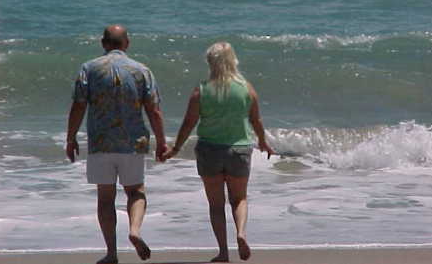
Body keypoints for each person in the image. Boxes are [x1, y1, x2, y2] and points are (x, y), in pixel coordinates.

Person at [164, 42, 275, 262]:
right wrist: (263, 142)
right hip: (239, 150)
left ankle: (223, 252)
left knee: (216, 205)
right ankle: (241, 233)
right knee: (239, 198)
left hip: (209, 151)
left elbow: (188, 123)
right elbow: (256, 121)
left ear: (210, 63)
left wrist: (174, 148)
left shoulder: (202, 90)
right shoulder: (246, 88)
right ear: (233, 60)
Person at [66, 25, 167, 264]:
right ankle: (134, 230)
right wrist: (162, 140)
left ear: (103, 43)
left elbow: (79, 105)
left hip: (100, 143)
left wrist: (71, 138)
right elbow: (153, 110)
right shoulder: (142, 71)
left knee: (105, 199)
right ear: (127, 44)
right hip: (132, 144)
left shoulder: (89, 69)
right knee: (136, 192)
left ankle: (111, 253)